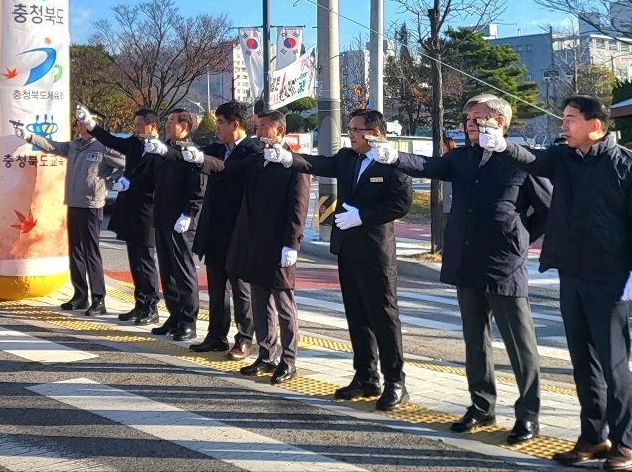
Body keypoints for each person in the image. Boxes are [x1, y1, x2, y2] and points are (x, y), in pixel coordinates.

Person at [384, 94, 552, 442]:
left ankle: (528, 415)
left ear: (500, 122)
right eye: (468, 121)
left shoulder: (522, 161)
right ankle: (481, 406)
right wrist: (394, 156)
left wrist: (519, 238)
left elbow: (549, 209)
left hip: (504, 264)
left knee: (519, 344)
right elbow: (427, 166)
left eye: (477, 119)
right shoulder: (461, 158)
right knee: (475, 339)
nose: (470, 125)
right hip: (466, 258)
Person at [510, 96, 632, 472]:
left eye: (571, 119)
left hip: (610, 277)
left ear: (595, 124)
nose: (563, 125)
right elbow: (532, 159)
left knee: (613, 364)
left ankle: (626, 443)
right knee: (583, 362)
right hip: (570, 272)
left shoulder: (630, 165)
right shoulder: (563, 158)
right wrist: (501, 144)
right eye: (563, 118)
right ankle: (593, 437)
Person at [298, 109, 413, 410]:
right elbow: (320, 163)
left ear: (375, 132)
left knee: (383, 318)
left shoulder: (392, 161)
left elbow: (401, 204)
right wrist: (290, 158)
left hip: (376, 251)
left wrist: (364, 217)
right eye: (349, 128)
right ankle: (365, 376)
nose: (351, 134)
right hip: (348, 249)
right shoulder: (348, 158)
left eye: (356, 129)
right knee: (357, 316)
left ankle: (395, 382)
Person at [228, 110, 310, 385]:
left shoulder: (294, 163)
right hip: (255, 243)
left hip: (279, 246)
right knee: (259, 300)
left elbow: (298, 206)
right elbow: (226, 169)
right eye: (258, 127)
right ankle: (266, 354)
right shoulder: (257, 160)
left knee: (284, 304)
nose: (259, 131)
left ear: (279, 131)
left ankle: (289, 360)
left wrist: (292, 243)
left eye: (264, 127)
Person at [26, 109, 125, 315]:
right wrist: (30, 136)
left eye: (84, 122)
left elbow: (126, 164)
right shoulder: (74, 145)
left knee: (91, 252)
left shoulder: (104, 146)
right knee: (76, 251)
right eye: (78, 122)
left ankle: (99, 299)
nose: (80, 125)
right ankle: (80, 295)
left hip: (92, 205)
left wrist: (110, 181)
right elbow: (53, 146)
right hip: (73, 203)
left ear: (95, 125)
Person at [135, 108, 209, 342]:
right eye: (166, 122)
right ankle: (174, 315)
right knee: (167, 272)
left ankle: (189, 321)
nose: (167, 125)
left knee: (184, 271)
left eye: (171, 122)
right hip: (163, 217)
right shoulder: (161, 150)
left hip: (182, 221)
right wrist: (128, 181)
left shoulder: (192, 153)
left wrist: (189, 213)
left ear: (184, 127)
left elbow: (199, 188)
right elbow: (146, 177)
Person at [190, 101, 256, 359]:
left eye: (220, 122)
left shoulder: (252, 151)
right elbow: (200, 157)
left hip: (238, 232)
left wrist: (202, 160)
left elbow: (225, 169)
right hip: (214, 230)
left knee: (241, 290)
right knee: (216, 288)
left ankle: (244, 338)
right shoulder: (217, 148)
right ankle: (216, 335)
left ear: (235, 124)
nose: (216, 127)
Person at [87, 107, 163, 326]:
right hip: (130, 209)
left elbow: (156, 182)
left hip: (148, 211)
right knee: (134, 259)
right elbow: (111, 141)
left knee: (146, 261)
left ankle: (151, 307)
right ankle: (139, 304)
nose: (136, 129)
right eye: (135, 125)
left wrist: (132, 183)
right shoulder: (134, 144)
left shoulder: (161, 150)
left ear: (152, 126)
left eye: (140, 126)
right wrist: (92, 126)